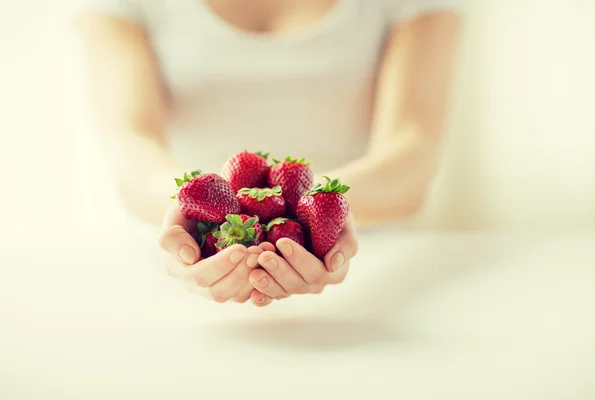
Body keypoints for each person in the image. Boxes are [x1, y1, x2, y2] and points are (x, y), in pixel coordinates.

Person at [74, 0, 462, 307]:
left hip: (368, 266)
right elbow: (131, 144)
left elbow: (413, 149)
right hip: (187, 260)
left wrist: (324, 208)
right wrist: (186, 210)